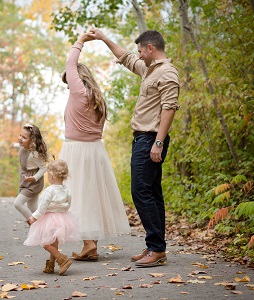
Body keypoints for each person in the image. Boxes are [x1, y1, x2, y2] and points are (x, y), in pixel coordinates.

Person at [88, 28, 180, 267]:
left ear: (151, 48)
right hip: (143, 139)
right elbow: (126, 57)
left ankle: (156, 248)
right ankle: (156, 247)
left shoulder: (167, 73)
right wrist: (104, 38)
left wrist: (158, 142)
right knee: (153, 193)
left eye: (141, 50)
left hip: (151, 139)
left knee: (140, 192)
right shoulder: (148, 69)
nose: (137, 55)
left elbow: (169, 108)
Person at [59, 33, 131, 262]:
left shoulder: (78, 92)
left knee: (77, 197)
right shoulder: (97, 97)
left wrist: (80, 40)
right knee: (91, 197)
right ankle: (92, 247)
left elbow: (70, 62)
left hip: (76, 150)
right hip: (96, 151)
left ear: (77, 79)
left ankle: (88, 243)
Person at [24, 159, 79, 275]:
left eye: (48, 175)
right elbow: (68, 205)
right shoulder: (66, 190)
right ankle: (50, 265)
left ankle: (62, 259)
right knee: (53, 242)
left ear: (52, 176)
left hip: (49, 218)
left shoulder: (49, 191)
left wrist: (34, 217)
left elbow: (42, 207)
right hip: (63, 217)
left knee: (45, 242)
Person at [13, 123, 48, 223]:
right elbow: (18, 146)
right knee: (33, 208)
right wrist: (14, 145)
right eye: (20, 135)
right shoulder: (22, 147)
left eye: (24, 137)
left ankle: (32, 222)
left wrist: (35, 178)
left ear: (31, 141)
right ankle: (45, 225)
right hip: (25, 181)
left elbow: (43, 168)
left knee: (17, 203)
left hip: (33, 183)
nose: (20, 138)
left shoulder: (34, 154)